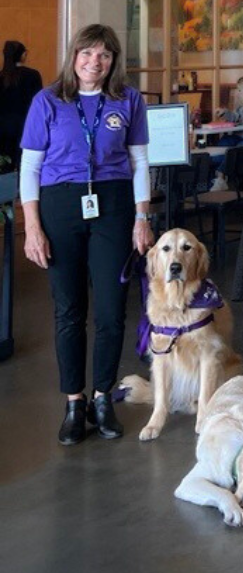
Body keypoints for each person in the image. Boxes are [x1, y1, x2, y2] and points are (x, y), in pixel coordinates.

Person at [19, 24, 153, 445]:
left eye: (105, 55)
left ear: (114, 61)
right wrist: (33, 227)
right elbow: (30, 168)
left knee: (113, 312)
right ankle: (74, 401)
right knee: (69, 310)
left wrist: (142, 216)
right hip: (60, 205)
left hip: (113, 205)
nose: (95, 62)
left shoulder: (128, 100)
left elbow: (141, 161)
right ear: (74, 55)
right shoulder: (48, 100)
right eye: (87, 53)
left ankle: (102, 398)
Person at [1, 40, 43, 173]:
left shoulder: (1, 76)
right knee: (25, 160)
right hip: (26, 123)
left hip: (3, 125)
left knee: (5, 160)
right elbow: (38, 103)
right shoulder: (32, 75)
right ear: (23, 55)